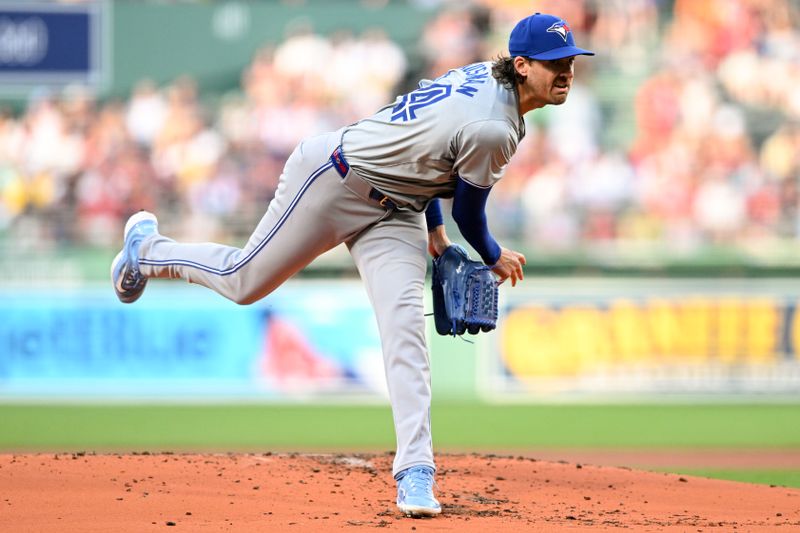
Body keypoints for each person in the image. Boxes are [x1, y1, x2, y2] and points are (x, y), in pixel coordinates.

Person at [111, 12, 593, 517]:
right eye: (554, 62)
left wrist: (431, 229)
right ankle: (148, 250)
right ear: (520, 65)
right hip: (334, 181)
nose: (566, 71)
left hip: (397, 211)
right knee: (243, 281)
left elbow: (423, 151)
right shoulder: (495, 126)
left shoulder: (481, 77)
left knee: (405, 331)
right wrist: (495, 255)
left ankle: (415, 471)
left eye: (571, 62)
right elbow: (470, 214)